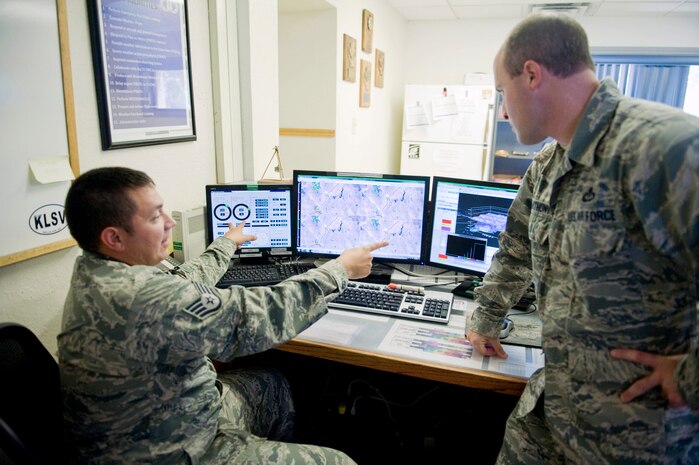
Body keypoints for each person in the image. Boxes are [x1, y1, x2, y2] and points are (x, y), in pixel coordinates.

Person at [466, 13, 699, 465]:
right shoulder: (548, 164)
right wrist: (486, 316)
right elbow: (515, 250)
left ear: (532, 75)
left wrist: (690, 376)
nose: (504, 112)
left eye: (501, 94)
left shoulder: (666, 149)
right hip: (551, 414)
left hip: (635, 439)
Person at [58, 166, 388, 465]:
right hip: (172, 450)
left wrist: (226, 244)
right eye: (156, 217)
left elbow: (181, 285)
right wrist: (339, 270)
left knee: (274, 385)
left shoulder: (97, 272)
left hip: (166, 417)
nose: (170, 223)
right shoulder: (139, 294)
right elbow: (260, 316)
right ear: (113, 237)